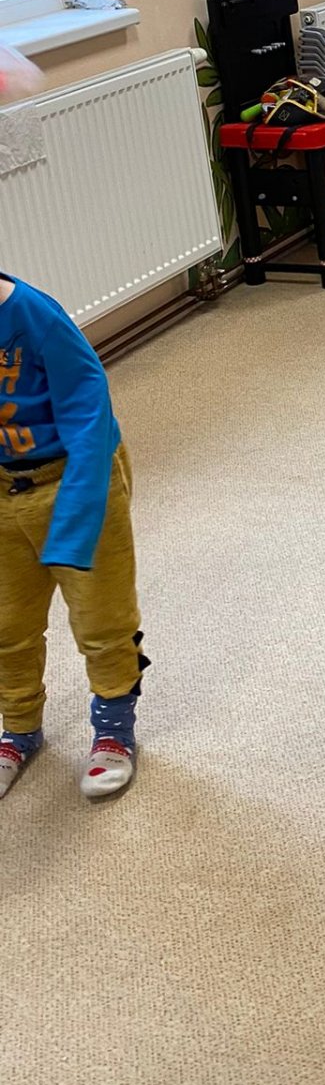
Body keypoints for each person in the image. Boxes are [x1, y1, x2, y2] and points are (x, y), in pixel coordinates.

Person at [0, 272, 146, 802]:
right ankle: (19, 729)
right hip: (3, 491)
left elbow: (90, 416)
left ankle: (113, 730)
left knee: (102, 618)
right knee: (7, 625)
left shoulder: (35, 317)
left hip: (73, 479)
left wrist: (75, 523)